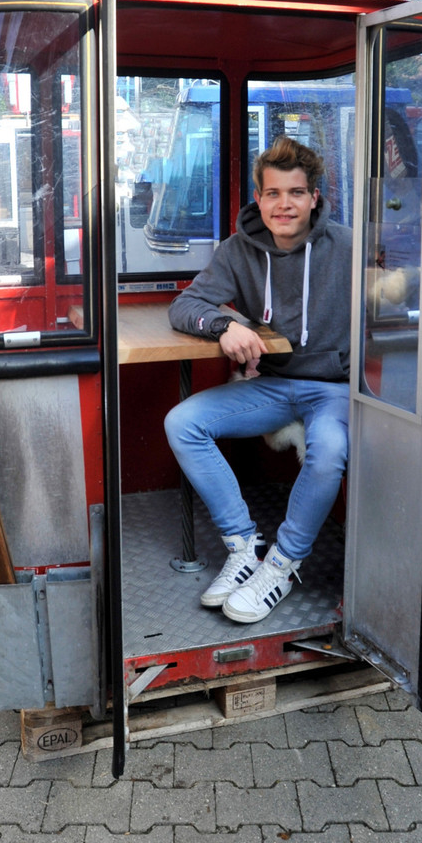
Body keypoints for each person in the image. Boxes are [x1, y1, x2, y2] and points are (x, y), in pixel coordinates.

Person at [164, 136, 351, 624]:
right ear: (259, 199)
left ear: (314, 197)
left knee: (329, 448)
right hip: (274, 384)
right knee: (183, 422)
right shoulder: (239, 251)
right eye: (272, 193)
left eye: (295, 193)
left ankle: (283, 564)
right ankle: (245, 545)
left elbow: (401, 299)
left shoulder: (349, 248)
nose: (283, 204)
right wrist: (225, 326)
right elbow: (186, 305)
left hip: (336, 388)